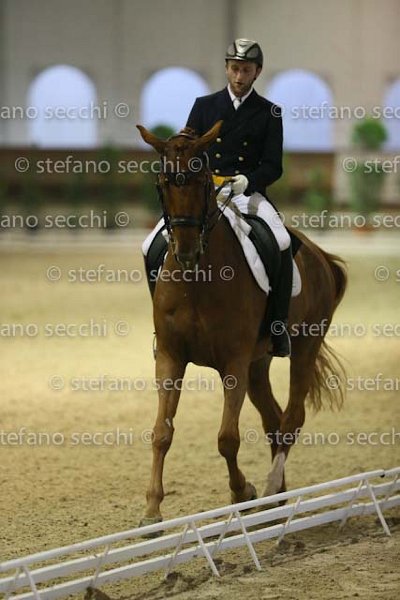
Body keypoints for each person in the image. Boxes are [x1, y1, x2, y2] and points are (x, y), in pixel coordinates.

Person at [186, 38, 292, 357]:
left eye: (246, 70)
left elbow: (274, 165)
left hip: (247, 193)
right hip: (206, 194)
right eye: (234, 69)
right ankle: (162, 327)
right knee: (152, 243)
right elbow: (189, 153)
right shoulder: (203, 106)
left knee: (282, 241)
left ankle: (277, 326)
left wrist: (248, 180)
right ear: (226, 68)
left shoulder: (269, 112)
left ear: (257, 72)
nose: (239, 76)